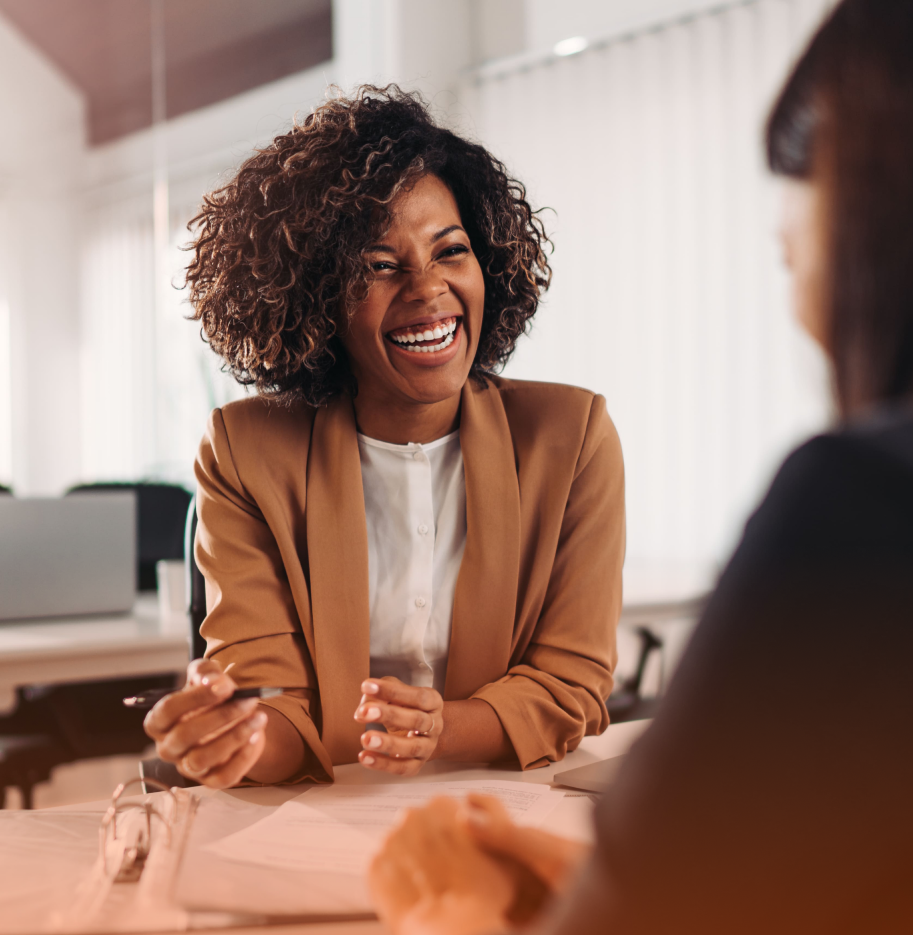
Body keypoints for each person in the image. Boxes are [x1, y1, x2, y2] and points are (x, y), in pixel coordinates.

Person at [368, 0, 913, 935]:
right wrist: (655, 893)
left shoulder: (878, 518)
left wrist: (446, 923)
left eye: (808, 179)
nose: (783, 235)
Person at [141, 89, 625, 787]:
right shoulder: (246, 452)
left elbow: (569, 684)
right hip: (320, 815)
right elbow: (274, 705)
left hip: (501, 800)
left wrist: (441, 730)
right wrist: (234, 737)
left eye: (450, 250)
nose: (427, 290)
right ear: (316, 297)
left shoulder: (571, 438)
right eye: (377, 265)